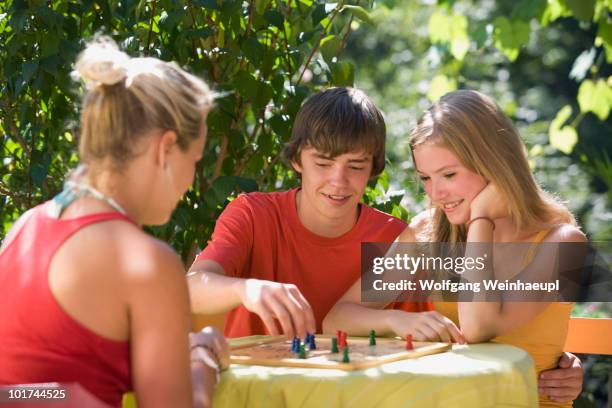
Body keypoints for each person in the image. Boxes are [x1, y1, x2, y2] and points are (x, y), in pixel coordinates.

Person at [0, 37, 228, 408]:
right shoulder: (145, 263)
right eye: (196, 161)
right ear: (166, 148)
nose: (191, 183)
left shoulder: (26, 226)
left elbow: (29, 386)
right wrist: (202, 360)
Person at [324, 89, 585, 406]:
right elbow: (337, 318)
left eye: (448, 174)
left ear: (494, 163)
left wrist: (482, 218)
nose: (436, 194)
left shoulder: (564, 243)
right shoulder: (428, 233)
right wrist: (396, 321)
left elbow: (477, 327)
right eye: (425, 178)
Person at [187, 87, 435, 340]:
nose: (338, 181)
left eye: (356, 166)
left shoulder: (396, 237)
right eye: (323, 164)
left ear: (373, 168)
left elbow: (457, 316)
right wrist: (245, 289)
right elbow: (191, 287)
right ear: (296, 160)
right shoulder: (252, 215)